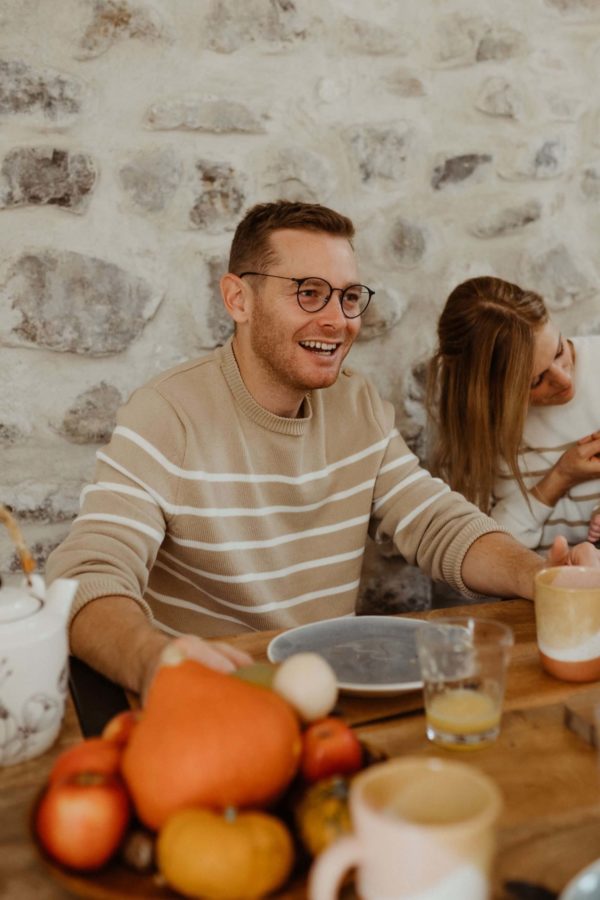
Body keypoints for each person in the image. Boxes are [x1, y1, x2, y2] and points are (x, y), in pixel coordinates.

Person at [46, 206, 598, 699]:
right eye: (309, 292)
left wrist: (540, 578)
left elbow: (437, 522)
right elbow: (87, 575)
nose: (338, 320)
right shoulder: (166, 413)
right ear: (238, 298)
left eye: (349, 296)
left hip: (333, 696)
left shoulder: (357, 404)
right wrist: (151, 660)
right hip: (211, 701)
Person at [427, 275, 600, 551]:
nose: (564, 381)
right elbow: (492, 552)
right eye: (535, 381)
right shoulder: (479, 432)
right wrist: (562, 476)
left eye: (558, 350)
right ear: (489, 391)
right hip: (531, 589)